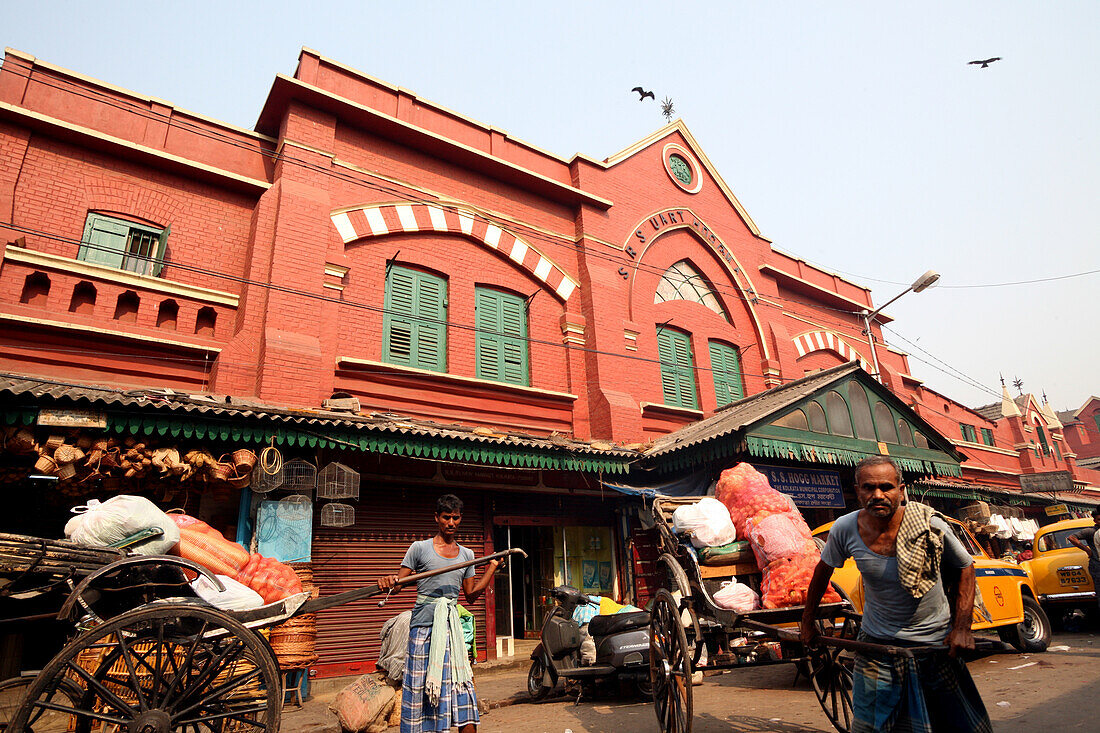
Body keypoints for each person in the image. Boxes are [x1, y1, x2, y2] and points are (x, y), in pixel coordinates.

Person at [800, 456, 992, 733]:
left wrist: (962, 628)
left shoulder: (930, 525)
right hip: (878, 644)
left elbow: (965, 567)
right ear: (857, 491)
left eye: (886, 487)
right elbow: (822, 573)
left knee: (953, 725)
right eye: (868, 487)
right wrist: (807, 622)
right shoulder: (844, 528)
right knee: (869, 728)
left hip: (934, 644)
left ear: (901, 490)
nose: (877, 495)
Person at [378, 494, 500, 733]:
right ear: (437, 518)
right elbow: (400, 583)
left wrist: (493, 567)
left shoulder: (467, 555)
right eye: (446, 517)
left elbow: (471, 594)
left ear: (460, 519)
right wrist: (389, 581)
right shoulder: (419, 549)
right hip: (423, 631)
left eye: (455, 518)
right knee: (424, 691)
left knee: (462, 689)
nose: (451, 523)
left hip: (451, 632)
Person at [1067, 507, 1100, 612]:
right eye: (1099, 519)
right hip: (1097, 566)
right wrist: (1087, 550)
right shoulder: (1091, 531)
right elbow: (1071, 538)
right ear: (1094, 520)